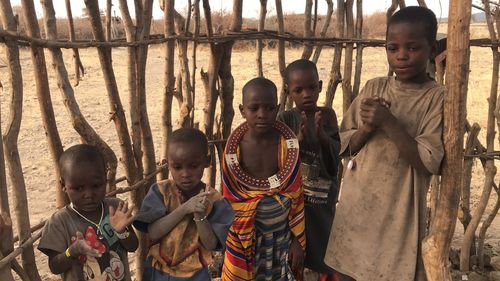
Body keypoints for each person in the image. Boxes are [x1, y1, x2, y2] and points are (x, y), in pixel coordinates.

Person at [325, 6, 444, 281]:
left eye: (412, 48)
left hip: (398, 215)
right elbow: (345, 146)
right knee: (347, 271)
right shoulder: (374, 88)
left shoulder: (437, 99)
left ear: (432, 48)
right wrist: (367, 128)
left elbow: (427, 163)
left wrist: (389, 122)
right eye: (393, 48)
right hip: (357, 208)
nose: (401, 56)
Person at [221, 77, 306, 281]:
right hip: (246, 241)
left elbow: (296, 195)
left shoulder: (287, 145)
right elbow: (232, 199)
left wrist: (297, 240)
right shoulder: (234, 150)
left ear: (277, 108)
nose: (262, 115)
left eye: (269, 108)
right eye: (254, 108)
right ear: (242, 110)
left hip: (282, 240)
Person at [133, 128, 234, 281]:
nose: (185, 174)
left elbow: (212, 244)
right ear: (168, 164)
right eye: (177, 167)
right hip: (158, 272)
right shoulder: (161, 192)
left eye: (193, 166)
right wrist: (185, 208)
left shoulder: (214, 200)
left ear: (207, 161)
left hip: (196, 274)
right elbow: (153, 232)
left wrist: (199, 216)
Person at [278, 59, 340, 281]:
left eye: (312, 87)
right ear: (288, 92)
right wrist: (298, 140)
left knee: (324, 256)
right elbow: (280, 166)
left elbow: (334, 164)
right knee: (297, 259)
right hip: (296, 205)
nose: (306, 94)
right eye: (298, 90)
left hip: (322, 203)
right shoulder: (285, 120)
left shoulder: (328, 116)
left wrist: (322, 136)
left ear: (321, 86)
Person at [39, 144, 139, 281]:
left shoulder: (115, 208)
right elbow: (55, 267)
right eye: (78, 188)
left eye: (96, 186)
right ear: (63, 186)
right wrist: (72, 251)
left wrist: (122, 232)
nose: (89, 195)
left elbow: (133, 246)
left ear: (105, 179)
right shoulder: (59, 222)